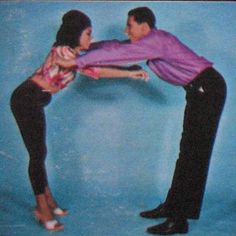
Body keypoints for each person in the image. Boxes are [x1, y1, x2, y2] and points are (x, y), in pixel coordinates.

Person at [54, 6, 227, 235]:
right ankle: (172, 207)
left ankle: (179, 220)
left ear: (144, 27)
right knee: (187, 151)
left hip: (208, 90)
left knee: (195, 154)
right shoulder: (147, 41)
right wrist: (84, 48)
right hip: (199, 90)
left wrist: (76, 62)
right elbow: (116, 46)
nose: (126, 31)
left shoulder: (155, 41)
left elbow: (120, 55)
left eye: (130, 26)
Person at [10, 9, 148, 232]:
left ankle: (49, 201)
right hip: (25, 100)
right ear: (75, 34)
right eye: (88, 34)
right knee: (37, 154)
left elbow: (99, 57)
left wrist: (129, 68)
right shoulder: (63, 53)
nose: (90, 39)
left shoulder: (75, 53)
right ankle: (41, 209)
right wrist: (128, 72)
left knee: (39, 152)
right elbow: (96, 68)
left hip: (36, 100)